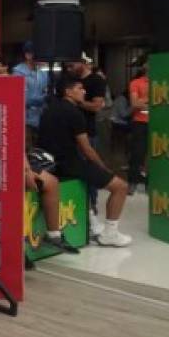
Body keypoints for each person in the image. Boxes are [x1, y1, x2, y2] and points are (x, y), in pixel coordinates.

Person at [38, 75, 131, 247]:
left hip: (48, 164)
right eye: (79, 88)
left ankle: (93, 224)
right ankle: (110, 233)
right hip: (69, 164)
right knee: (121, 187)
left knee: (87, 182)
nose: (84, 91)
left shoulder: (49, 109)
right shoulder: (75, 113)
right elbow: (87, 149)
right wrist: (104, 168)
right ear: (68, 92)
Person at [67, 54, 107, 216]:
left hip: (87, 132)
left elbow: (97, 106)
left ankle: (91, 207)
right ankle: (76, 204)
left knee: (90, 169)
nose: (70, 67)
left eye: (73, 64)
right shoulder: (68, 79)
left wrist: (78, 100)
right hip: (68, 133)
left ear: (83, 63)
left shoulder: (96, 81)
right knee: (72, 170)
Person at [24, 152, 79, 253]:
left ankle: (53, 236)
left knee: (51, 182)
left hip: (18, 161)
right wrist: (26, 172)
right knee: (17, 186)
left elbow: (18, 145)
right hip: (1, 163)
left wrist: (27, 170)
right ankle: (17, 247)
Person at [12, 41, 50, 147]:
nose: (41, 57)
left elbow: (48, 90)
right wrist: (45, 98)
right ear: (28, 55)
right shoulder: (18, 73)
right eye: (37, 54)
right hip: (25, 121)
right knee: (27, 151)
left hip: (41, 119)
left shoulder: (43, 72)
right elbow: (21, 100)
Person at [128, 59, 149, 194]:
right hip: (140, 122)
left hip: (159, 122)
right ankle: (133, 182)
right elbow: (135, 104)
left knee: (156, 154)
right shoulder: (136, 83)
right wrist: (152, 95)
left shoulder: (164, 82)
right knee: (137, 153)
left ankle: (151, 183)